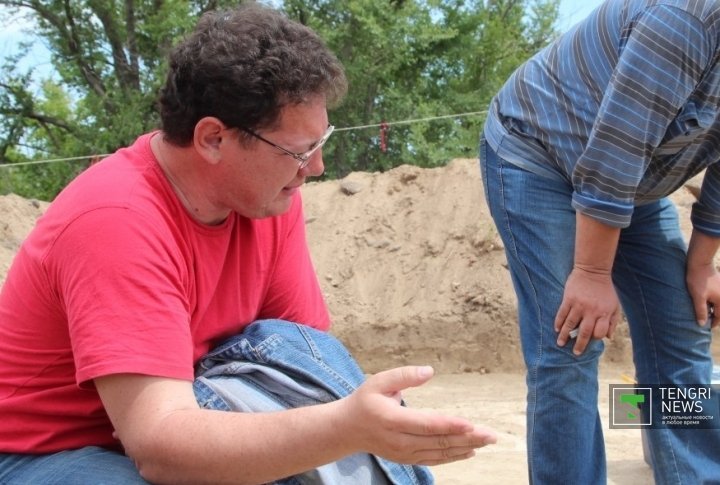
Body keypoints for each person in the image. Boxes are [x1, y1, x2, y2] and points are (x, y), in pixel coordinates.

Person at [0, 3, 497, 484]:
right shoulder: (117, 221)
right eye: (299, 151)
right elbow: (161, 446)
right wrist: (346, 428)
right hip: (45, 452)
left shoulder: (269, 199)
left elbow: (299, 359)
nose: (316, 169)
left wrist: (365, 432)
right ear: (213, 139)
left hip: (187, 414)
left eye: (320, 144)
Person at [480, 0, 720, 483]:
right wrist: (591, 273)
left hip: (633, 179)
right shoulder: (685, 20)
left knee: (680, 331)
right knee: (572, 342)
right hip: (539, 153)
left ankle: (693, 475)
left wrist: (701, 263)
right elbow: (616, 148)